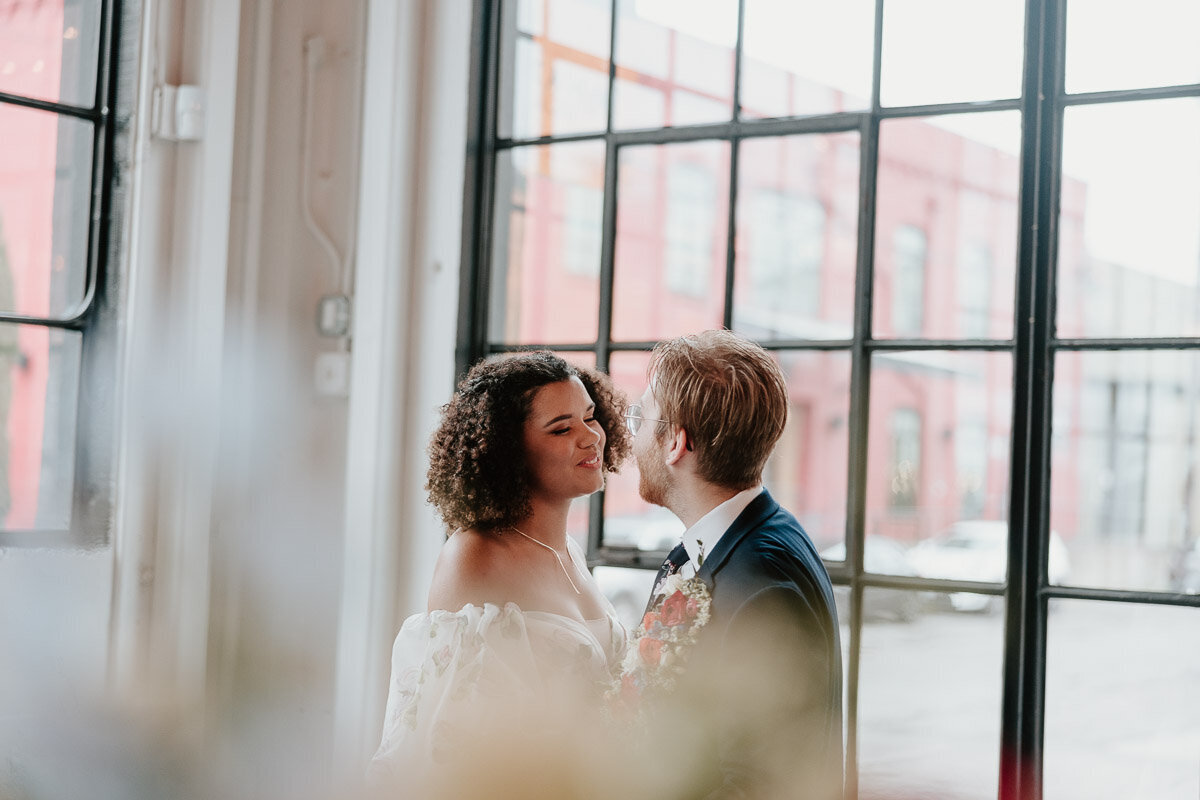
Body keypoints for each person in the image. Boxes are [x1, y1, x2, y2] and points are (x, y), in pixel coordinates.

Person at [367, 351, 631, 797]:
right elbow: (449, 747)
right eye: (562, 428)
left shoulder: (568, 549)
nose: (591, 438)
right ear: (508, 452)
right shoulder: (474, 556)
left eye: (590, 416)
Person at [626, 329, 843, 800]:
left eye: (640, 416)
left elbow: (760, 783)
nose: (632, 434)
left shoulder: (763, 579)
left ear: (675, 443)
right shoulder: (713, 545)